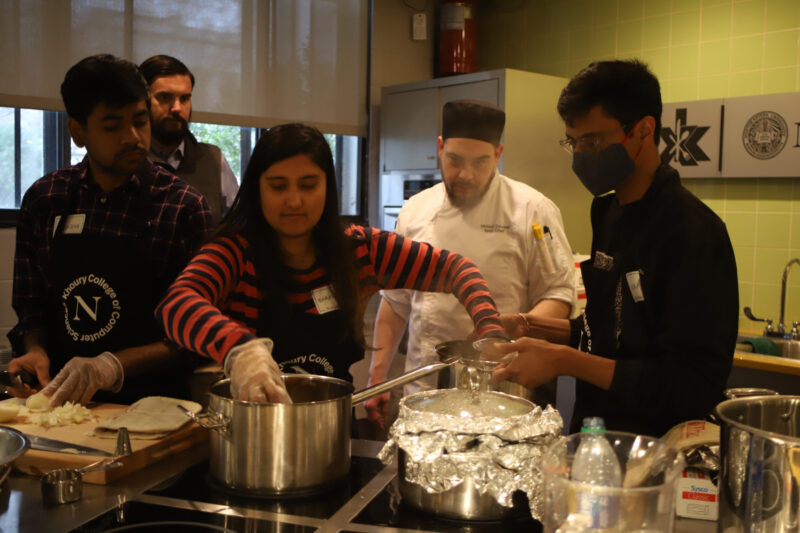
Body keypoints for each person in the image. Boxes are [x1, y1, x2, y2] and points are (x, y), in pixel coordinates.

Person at [155, 122, 507, 403]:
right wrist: (239, 349)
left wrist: (489, 329)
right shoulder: (234, 253)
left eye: (308, 185)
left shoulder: (359, 250)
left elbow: (457, 269)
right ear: (257, 189)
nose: (294, 200)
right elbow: (176, 306)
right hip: (251, 441)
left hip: (332, 437)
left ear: (328, 186)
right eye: (278, 186)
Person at [491, 60, 738, 437]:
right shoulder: (610, 214)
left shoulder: (693, 233)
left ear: (643, 130)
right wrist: (527, 325)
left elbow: (689, 385)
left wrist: (563, 360)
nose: (581, 155)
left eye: (593, 141)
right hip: (596, 441)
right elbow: (605, 334)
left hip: (657, 453)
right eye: (573, 142)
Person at [8, 54, 213, 406]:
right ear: (77, 131)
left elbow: (196, 333)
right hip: (61, 405)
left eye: (140, 121)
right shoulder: (46, 200)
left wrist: (110, 366)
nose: (133, 137)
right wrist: (36, 351)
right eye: (112, 125)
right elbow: (31, 305)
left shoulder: (183, 208)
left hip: (155, 411)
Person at [366, 99, 575, 429]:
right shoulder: (415, 211)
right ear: (439, 148)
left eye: (480, 162)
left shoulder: (532, 209)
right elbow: (395, 303)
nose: (466, 174)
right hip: (424, 394)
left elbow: (559, 295)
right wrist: (377, 376)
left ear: (498, 154)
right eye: (455, 160)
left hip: (502, 392)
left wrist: (520, 325)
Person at [139, 55, 238, 223]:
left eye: (184, 99)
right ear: (142, 101)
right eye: (164, 97)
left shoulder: (213, 159)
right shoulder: (127, 160)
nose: (177, 108)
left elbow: (238, 225)